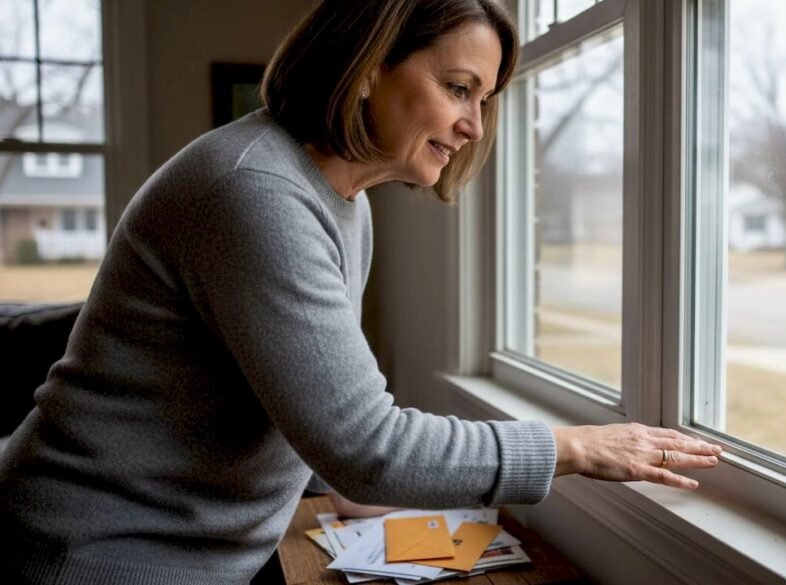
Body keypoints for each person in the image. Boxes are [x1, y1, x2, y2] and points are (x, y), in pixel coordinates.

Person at [0, 1, 721, 583]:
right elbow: (367, 444)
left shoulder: (343, 200)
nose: (474, 125)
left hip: (207, 547)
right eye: (459, 88)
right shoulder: (254, 191)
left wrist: (352, 492)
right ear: (370, 67)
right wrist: (581, 448)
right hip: (97, 552)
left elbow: (305, 399)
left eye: (485, 98)